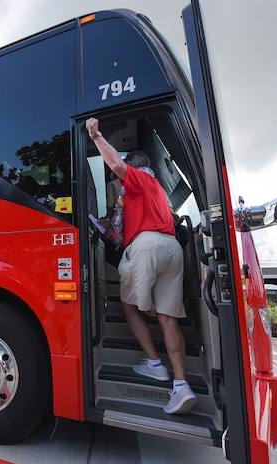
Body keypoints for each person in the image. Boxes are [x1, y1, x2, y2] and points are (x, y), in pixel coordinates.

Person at [86, 118, 197, 415]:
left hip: (147, 246)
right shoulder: (156, 190)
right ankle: (181, 385)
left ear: (135, 166)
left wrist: (96, 136)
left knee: (129, 306)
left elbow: (117, 167)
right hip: (171, 248)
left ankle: (154, 364)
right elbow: (121, 221)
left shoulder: (139, 178)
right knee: (168, 318)